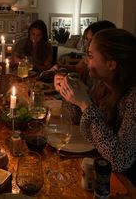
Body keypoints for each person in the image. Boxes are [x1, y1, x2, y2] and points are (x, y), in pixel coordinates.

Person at [58, 28, 136, 185]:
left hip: (125, 184)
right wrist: (69, 91)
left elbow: (120, 160)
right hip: (100, 169)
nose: (86, 60)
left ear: (111, 64)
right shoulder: (103, 85)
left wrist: (85, 104)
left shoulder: (133, 97)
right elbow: (77, 119)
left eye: (91, 56)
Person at [53, 20, 116, 87]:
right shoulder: (88, 57)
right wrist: (59, 68)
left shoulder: (110, 80)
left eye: (91, 40)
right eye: (87, 40)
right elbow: (77, 68)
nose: (87, 45)